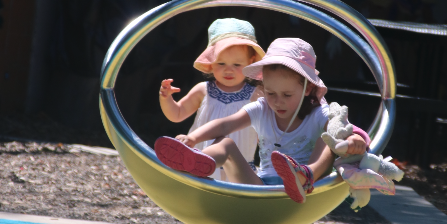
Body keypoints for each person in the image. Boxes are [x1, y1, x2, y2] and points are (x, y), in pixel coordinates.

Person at [155, 37, 370, 206]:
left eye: (287, 95)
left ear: (309, 89)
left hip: (304, 189)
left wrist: (355, 139)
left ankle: (306, 173)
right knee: (226, 143)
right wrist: (192, 138)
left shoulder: (318, 113)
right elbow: (225, 124)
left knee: (330, 137)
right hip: (259, 186)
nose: (277, 102)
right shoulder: (262, 109)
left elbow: (346, 129)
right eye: (270, 93)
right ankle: (195, 162)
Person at [158, 18, 265, 224]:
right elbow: (177, 114)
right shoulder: (203, 90)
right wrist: (166, 99)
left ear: (252, 64)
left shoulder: (257, 95)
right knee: (194, 220)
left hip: (236, 170)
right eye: (221, 64)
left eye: (237, 64)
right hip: (199, 165)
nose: (228, 70)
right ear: (210, 63)